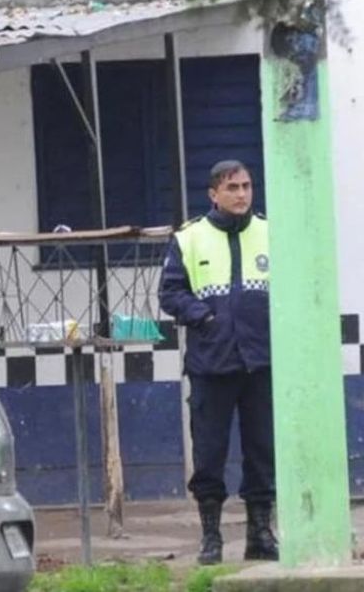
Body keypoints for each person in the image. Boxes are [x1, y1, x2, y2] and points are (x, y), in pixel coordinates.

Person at [159, 160, 278, 564]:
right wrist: (204, 316)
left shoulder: (270, 231)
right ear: (214, 194)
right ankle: (211, 536)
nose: (242, 194)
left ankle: (260, 533)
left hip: (261, 362)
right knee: (209, 454)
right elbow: (170, 293)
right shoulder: (189, 238)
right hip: (212, 365)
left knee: (263, 452)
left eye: (246, 186)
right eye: (232, 187)